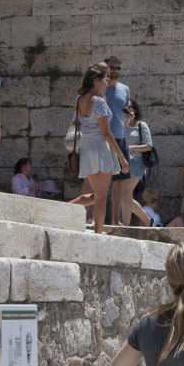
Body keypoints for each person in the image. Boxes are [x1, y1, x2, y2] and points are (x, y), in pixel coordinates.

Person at [75, 62, 129, 234]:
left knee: (96, 195)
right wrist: (121, 158)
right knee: (101, 197)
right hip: (99, 147)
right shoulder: (98, 102)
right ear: (96, 81)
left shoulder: (80, 99)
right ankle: (98, 232)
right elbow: (106, 133)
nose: (107, 83)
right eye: (104, 80)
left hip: (86, 147)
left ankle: (61, 207)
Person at [104, 56, 133, 226]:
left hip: (120, 138)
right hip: (104, 138)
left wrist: (129, 116)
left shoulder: (125, 89)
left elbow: (126, 116)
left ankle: (115, 219)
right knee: (100, 179)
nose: (114, 70)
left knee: (121, 181)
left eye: (117, 67)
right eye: (112, 67)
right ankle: (89, 217)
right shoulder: (101, 87)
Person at [122, 99, 154, 226]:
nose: (127, 110)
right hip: (123, 163)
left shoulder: (141, 125)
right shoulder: (122, 125)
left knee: (125, 193)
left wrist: (131, 148)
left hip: (137, 163)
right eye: (125, 108)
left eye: (130, 107)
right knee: (125, 195)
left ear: (135, 109)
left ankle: (126, 224)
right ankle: (146, 220)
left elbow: (149, 145)